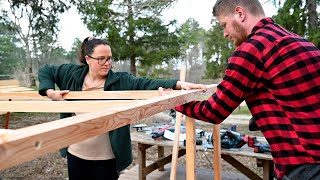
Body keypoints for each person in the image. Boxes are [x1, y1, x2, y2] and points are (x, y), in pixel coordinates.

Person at [160, 0, 320, 179]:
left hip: (304, 165)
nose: (225, 33)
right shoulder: (301, 42)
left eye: (224, 25)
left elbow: (213, 111)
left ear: (240, 13)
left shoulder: (251, 50)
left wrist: (174, 101)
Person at [38, 36, 206, 180]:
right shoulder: (71, 74)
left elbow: (146, 83)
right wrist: (49, 91)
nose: (107, 63)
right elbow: (46, 70)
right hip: (76, 155)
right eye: (101, 58)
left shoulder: (120, 80)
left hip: (106, 159)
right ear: (88, 59)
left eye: (110, 58)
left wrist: (179, 84)